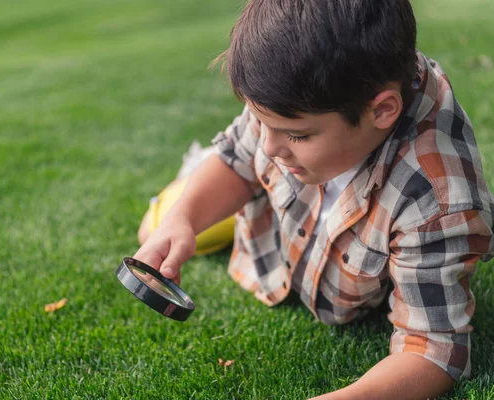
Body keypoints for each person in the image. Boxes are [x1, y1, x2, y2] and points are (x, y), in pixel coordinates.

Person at [133, 1, 494, 398]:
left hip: (345, 236)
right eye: (260, 122)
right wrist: (182, 219)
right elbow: (239, 155)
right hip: (272, 225)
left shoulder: (436, 202)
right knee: (156, 227)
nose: (269, 148)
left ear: (382, 110)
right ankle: (193, 179)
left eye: (297, 134)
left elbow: (434, 351)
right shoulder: (304, 106)